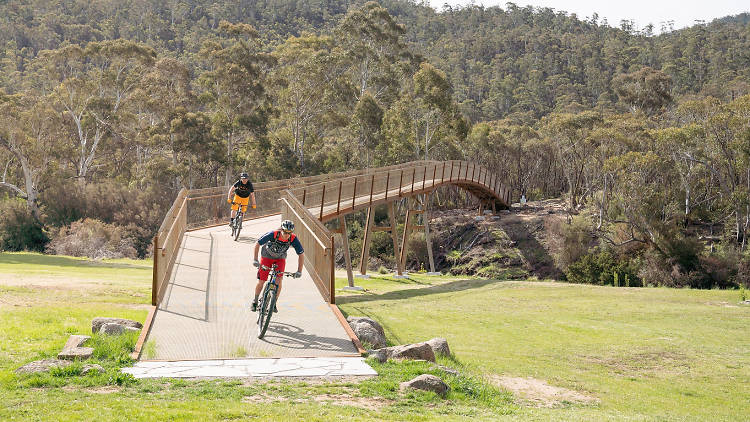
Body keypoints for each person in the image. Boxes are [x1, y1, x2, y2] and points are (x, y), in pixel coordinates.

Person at [252, 219, 304, 313]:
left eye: (289, 233)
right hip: (266, 257)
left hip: (280, 258)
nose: (287, 235)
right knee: (262, 280)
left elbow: (301, 254)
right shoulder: (273, 234)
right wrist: (255, 260)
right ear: (281, 230)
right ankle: (255, 301)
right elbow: (257, 243)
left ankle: (273, 303)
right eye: (285, 232)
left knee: (279, 281)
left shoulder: (293, 238)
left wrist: (299, 271)